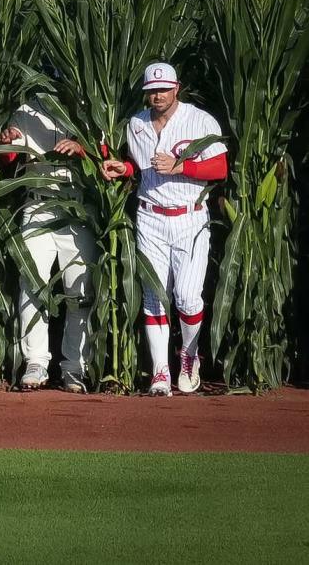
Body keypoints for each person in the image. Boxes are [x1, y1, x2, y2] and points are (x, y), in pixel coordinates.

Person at [101, 62, 228, 396]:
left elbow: (220, 168)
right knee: (155, 297)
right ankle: (160, 371)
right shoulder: (137, 123)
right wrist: (122, 168)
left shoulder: (199, 120)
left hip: (189, 217)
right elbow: (138, 165)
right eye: (152, 90)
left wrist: (182, 165)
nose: (157, 95)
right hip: (150, 217)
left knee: (187, 298)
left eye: (163, 89)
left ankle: (188, 355)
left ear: (177, 88)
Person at [0, 97, 97, 393]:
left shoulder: (87, 106)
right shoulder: (25, 111)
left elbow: (107, 155)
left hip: (76, 207)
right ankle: (35, 362)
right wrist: (6, 143)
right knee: (32, 285)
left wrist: (82, 149)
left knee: (78, 290)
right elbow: (7, 161)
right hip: (37, 205)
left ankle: (75, 367)